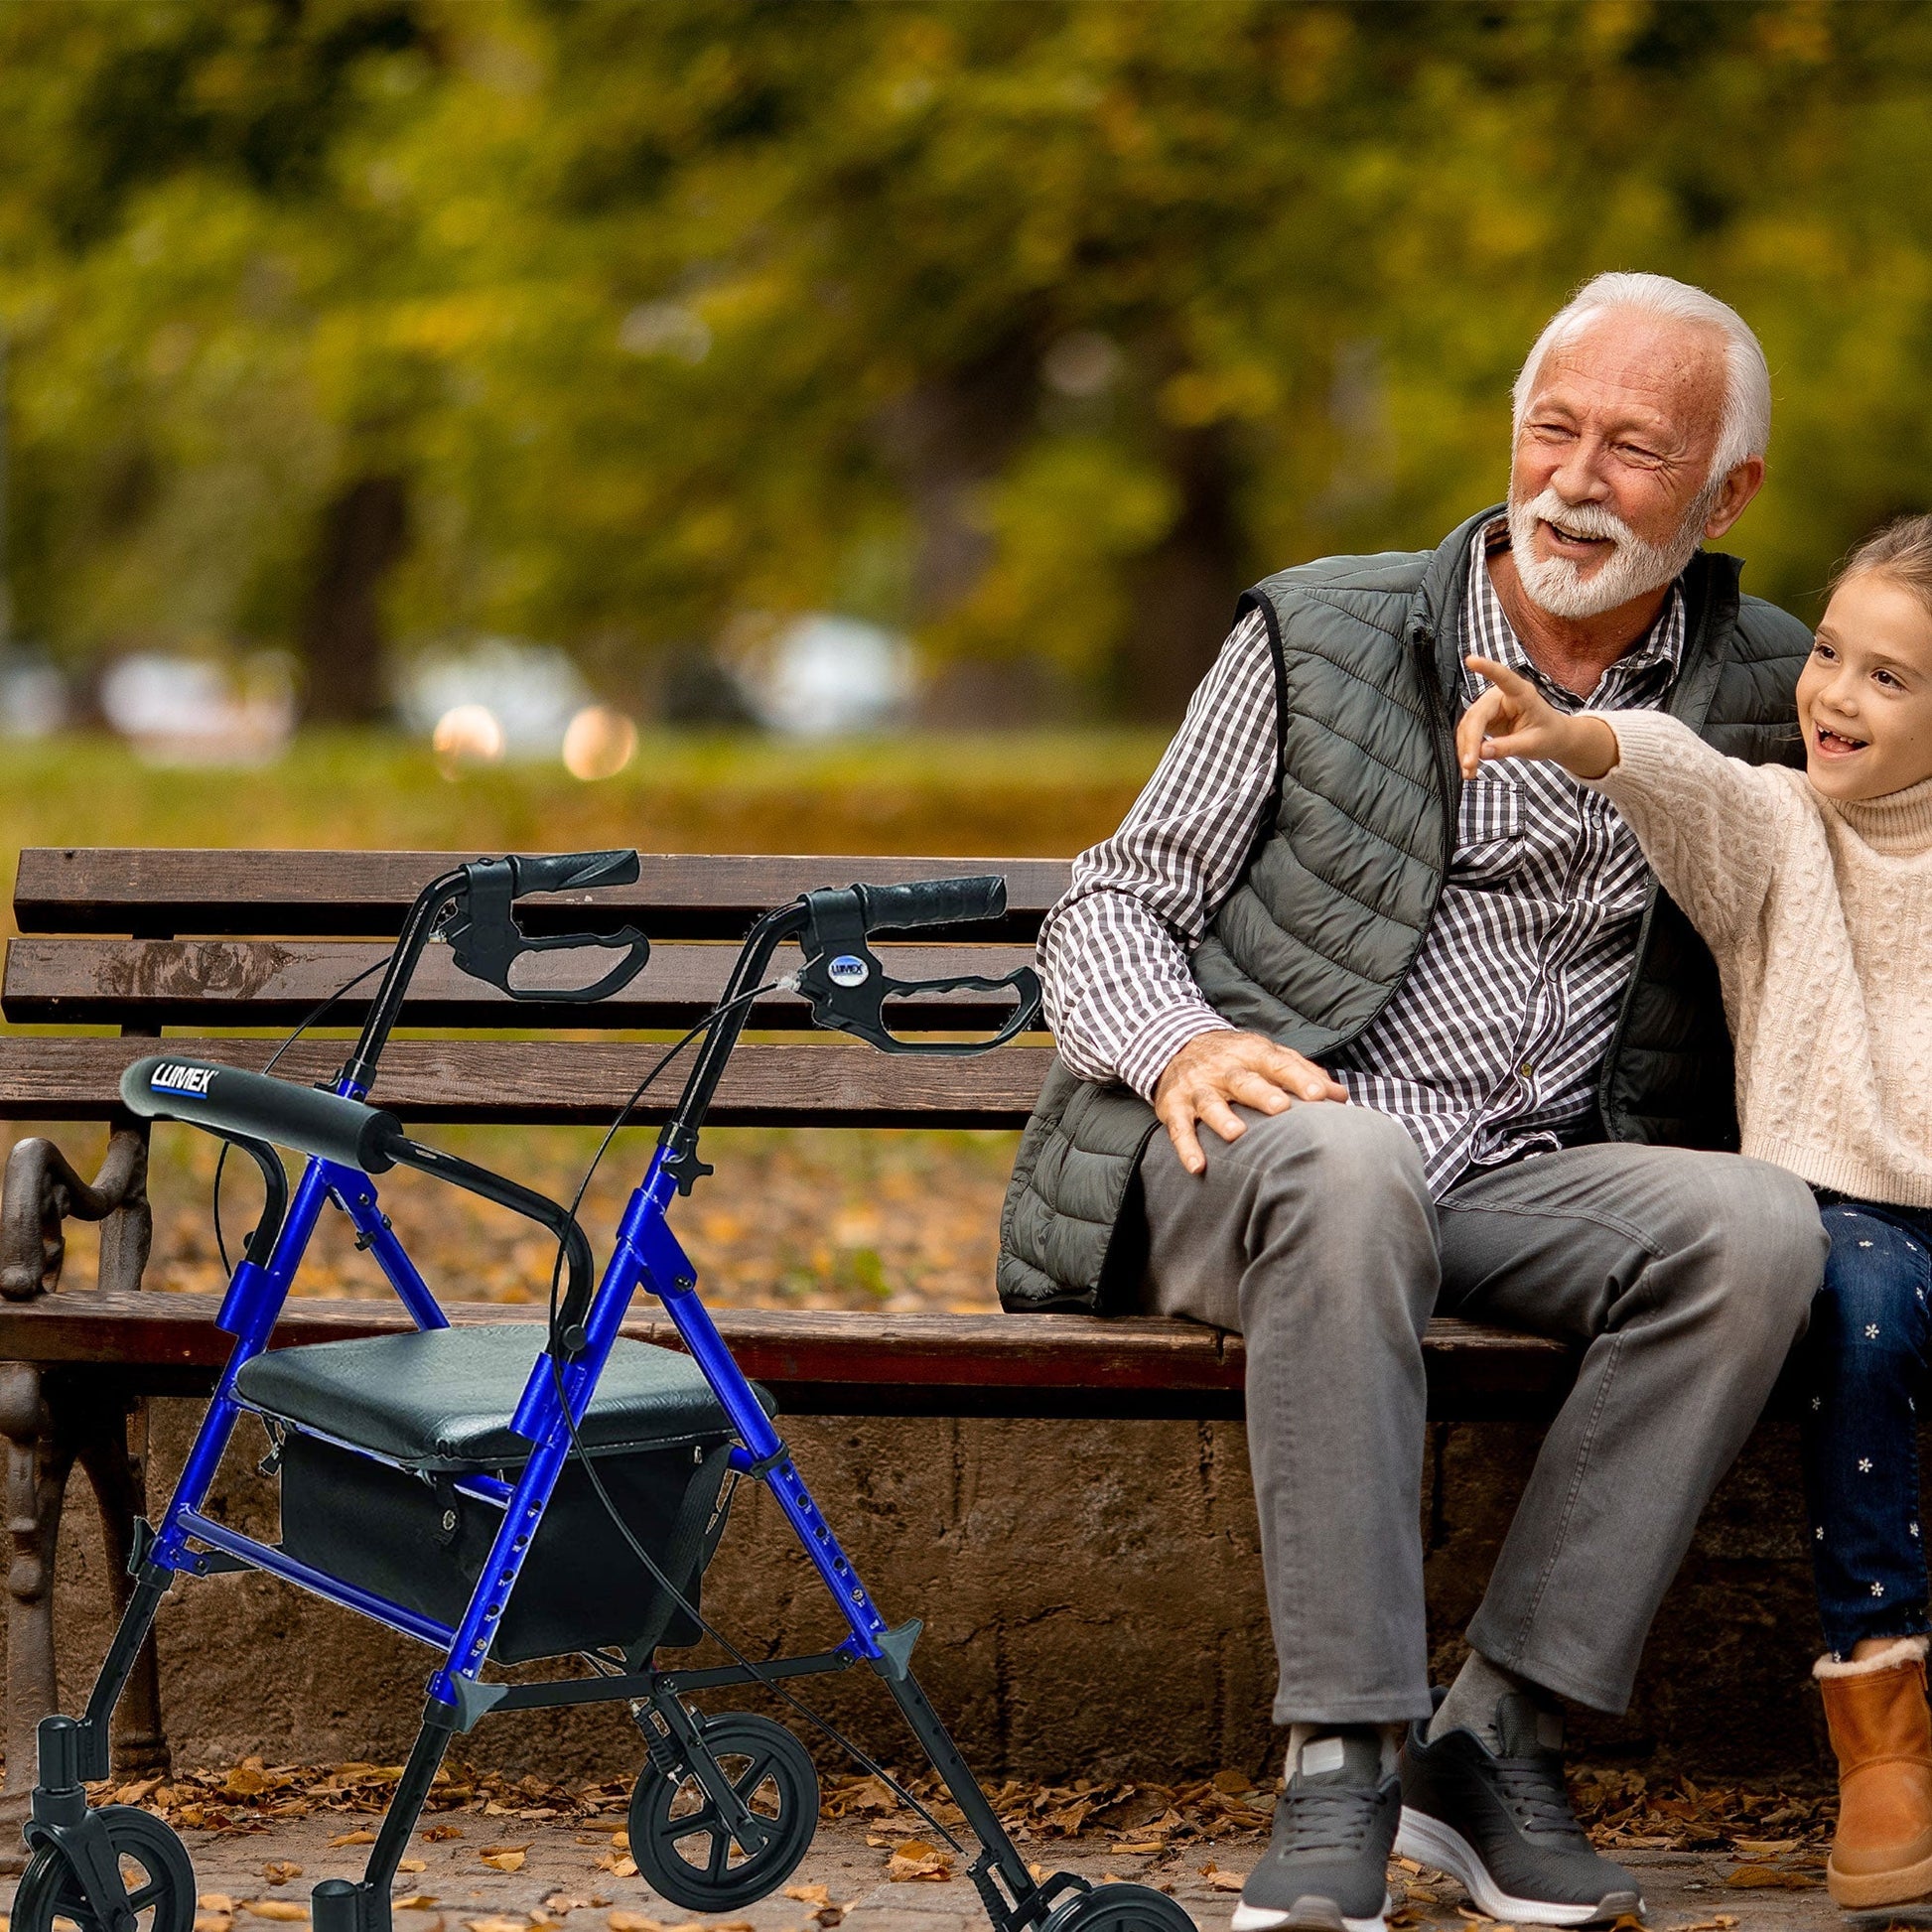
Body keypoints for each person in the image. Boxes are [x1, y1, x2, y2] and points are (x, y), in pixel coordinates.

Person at [999, 271, 1832, 1932]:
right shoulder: (1319, 631)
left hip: (1533, 1177)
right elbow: (1109, 905)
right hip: (1259, 1153)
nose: (1574, 481)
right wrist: (1179, 1045)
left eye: (1635, 450)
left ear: (1727, 492)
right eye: (1551, 428)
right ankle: (1339, 1756)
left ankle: (1491, 1739)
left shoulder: (1769, 685)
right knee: (1352, 1160)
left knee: (1754, 1228)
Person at [1456, 513, 1932, 1913]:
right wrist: (1580, 737)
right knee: (1863, 1311)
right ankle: (1884, 1733)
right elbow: (1681, 775)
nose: (1833, 694)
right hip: (1844, 1222)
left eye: (1889, 677)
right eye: (1829, 654)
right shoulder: (1780, 832)